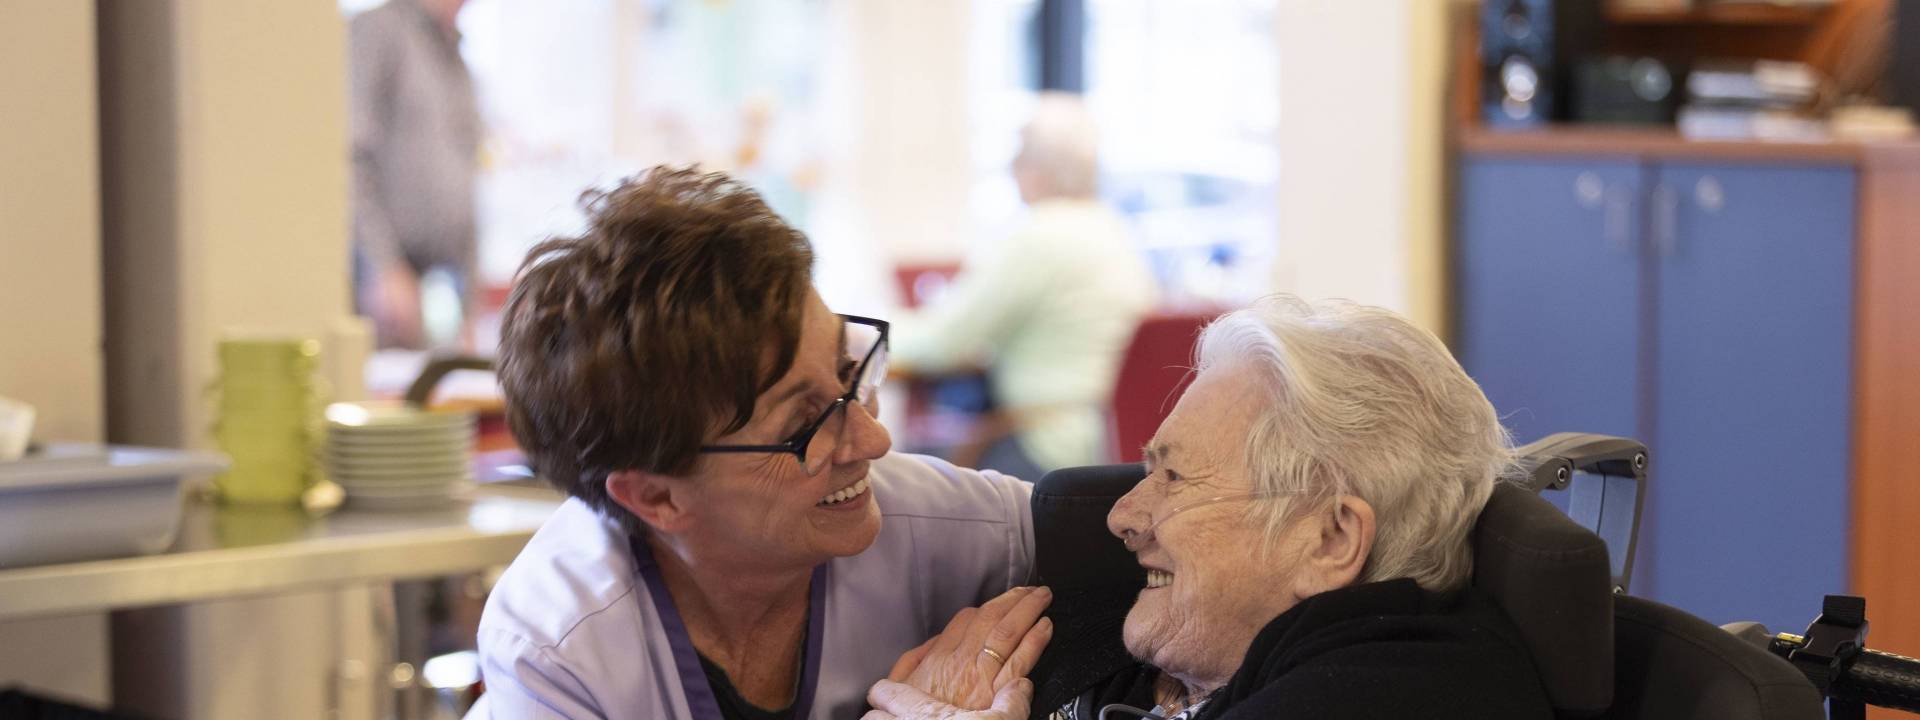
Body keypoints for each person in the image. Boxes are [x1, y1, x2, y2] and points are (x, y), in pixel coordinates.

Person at [473, 167, 1047, 719]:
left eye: (848, 371)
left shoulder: (946, 523)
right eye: (801, 425)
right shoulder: (558, 648)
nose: (873, 439)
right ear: (656, 498)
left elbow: (1124, 540)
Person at [864, 296, 1555, 720]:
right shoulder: (1151, 633)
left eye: (1174, 478)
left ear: (1330, 538)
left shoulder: (1400, 695)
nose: (1123, 515)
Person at [890, 93, 1158, 481]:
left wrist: (867, 335)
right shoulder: (1112, 228)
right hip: (1105, 440)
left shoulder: (1039, 235)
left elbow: (946, 341)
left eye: (1018, 160)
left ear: (1036, 168)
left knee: (900, 474)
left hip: (1048, 449)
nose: (1013, 171)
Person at [348, 0, 481, 349]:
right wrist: (383, 266)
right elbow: (350, 158)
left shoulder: (456, 58)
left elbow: (467, 184)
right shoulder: (379, 31)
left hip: (435, 287)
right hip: (378, 291)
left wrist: (469, 308)